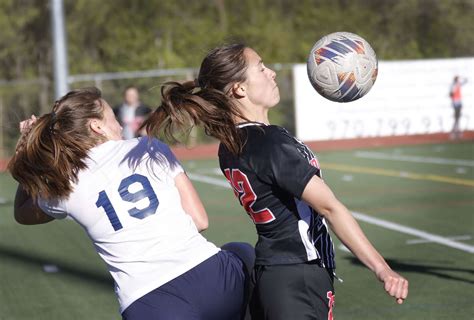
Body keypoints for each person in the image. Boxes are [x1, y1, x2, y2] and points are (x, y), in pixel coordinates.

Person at [143, 43, 409, 320]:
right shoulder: (268, 142)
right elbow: (330, 208)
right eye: (260, 67)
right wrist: (382, 268)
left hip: (275, 274)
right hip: (298, 278)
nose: (271, 72)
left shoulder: (233, 143)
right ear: (240, 88)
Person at [8, 87, 254, 320]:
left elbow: (22, 213)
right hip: (213, 279)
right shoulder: (148, 147)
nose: (118, 122)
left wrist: (25, 149)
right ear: (97, 126)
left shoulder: (65, 184)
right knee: (243, 252)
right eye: (112, 116)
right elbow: (200, 220)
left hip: (147, 302)